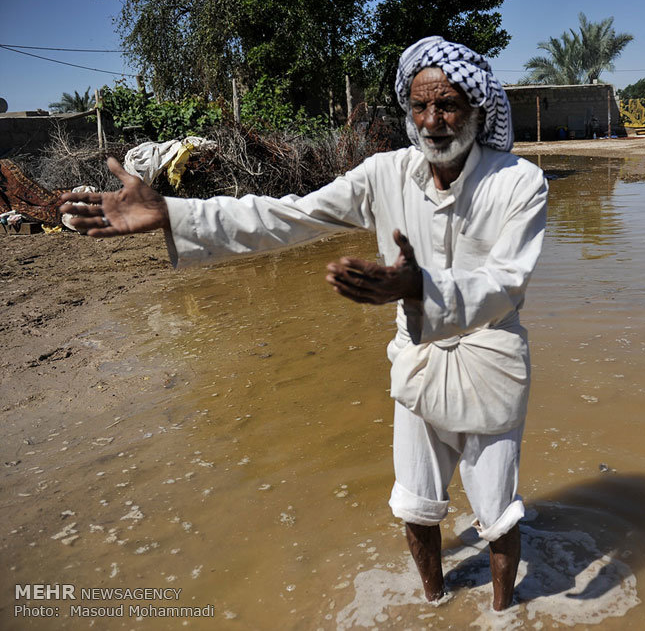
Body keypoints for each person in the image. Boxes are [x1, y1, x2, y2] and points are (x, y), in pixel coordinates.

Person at [60, 36, 548, 611]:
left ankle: (503, 616)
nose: (431, 121)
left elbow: (505, 283)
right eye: (419, 106)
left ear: (478, 109)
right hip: (417, 360)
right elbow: (288, 215)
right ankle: (433, 605)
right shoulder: (385, 174)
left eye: (447, 105)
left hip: (489, 362)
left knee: (497, 513)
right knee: (414, 503)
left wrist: (418, 287)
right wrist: (173, 212)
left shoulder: (519, 182)